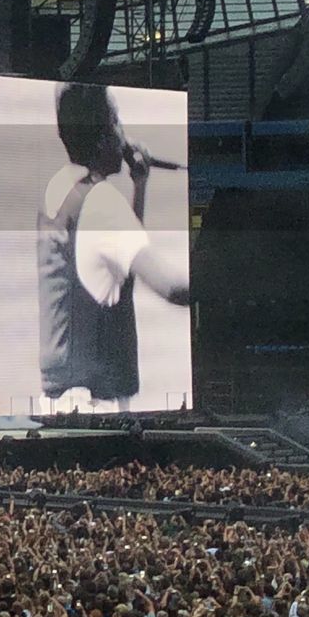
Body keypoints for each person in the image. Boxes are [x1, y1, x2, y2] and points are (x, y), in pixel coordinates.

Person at [37, 83, 189, 413]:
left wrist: (140, 186)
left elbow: (119, 269)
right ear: (104, 135)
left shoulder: (61, 188)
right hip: (95, 402)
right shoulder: (103, 204)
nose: (124, 135)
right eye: (117, 121)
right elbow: (173, 288)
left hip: (63, 398)